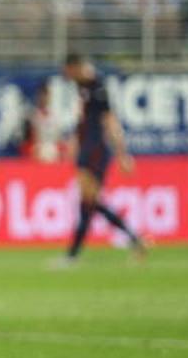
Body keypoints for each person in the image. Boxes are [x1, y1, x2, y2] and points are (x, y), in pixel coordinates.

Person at [57, 54, 146, 264]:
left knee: (89, 203)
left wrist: (122, 154)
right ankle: (134, 240)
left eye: (67, 71)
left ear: (75, 67)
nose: (66, 75)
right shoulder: (82, 87)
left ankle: (73, 255)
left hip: (96, 151)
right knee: (89, 203)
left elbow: (110, 121)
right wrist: (74, 142)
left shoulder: (98, 88)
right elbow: (83, 120)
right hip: (86, 149)